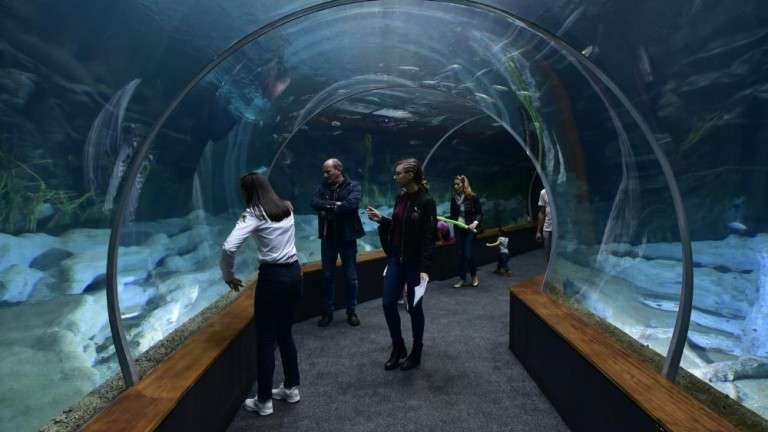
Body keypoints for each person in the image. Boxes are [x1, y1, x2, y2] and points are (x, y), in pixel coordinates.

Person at [220, 173, 302, 416]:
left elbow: (229, 246)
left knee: (266, 339)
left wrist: (228, 275)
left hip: (273, 279)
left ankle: (264, 400)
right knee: (285, 333)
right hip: (294, 275)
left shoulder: (253, 214)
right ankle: (291, 388)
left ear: (248, 192)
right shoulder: (287, 207)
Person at [366, 158, 437, 371]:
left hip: (415, 264)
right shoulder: (400, 197)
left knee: (414, 307)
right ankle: (399, 347)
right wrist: (382, 220)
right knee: (388, 303)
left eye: (398, 173)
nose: (395, 177)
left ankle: (416, 351)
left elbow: (429, 236)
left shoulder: (426, 201)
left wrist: (425, 268)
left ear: (411, 175)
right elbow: (398, 226)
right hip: (396, 259)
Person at [311, 158, 364, 327]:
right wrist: (336, 205)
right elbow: (314, 202)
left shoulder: (353, 185)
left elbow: (352, 205)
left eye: (328, 171)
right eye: (324, 172)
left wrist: (327, 209)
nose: (325, 175)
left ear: (339, 170)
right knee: (327, 277)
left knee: (351, 277)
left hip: (347, 238)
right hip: (328, 239)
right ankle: (327, 312)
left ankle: (351, 311)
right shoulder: (322, 186)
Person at [450, 175, 483, 288]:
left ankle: (474, 276)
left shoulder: (472, 197)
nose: (455, 186)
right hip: (458, 229)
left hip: (469, 229)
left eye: (458, 184)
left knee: (468, 254)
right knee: (460, 255)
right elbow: (453, 216)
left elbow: (480, 214)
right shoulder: (453, 198)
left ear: (464, 184)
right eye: (454, 184)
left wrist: (475, 223)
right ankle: (462, 278)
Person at [537, 188, 552, 263]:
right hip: (547, 228)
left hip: (560, 228)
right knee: (548, 253)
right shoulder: (543, 192)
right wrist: (538, 231)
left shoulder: (561, 189)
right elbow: (542, 212)